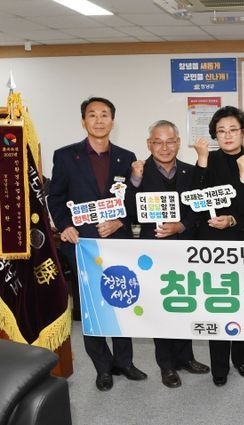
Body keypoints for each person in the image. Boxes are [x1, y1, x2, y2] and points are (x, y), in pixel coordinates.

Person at [48, 96, 147, 391]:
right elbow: (56, 197)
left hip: (117, 242)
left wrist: (120, 221)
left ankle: (124, 362)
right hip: (83, 244)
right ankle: (102, 368)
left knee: (121, 300)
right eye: (93, 115)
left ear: (112, 121)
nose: (99, 120)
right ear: (84, 121)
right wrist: (65, 226)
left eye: (105, 114)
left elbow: (131, 199)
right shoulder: (66, 156)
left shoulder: (126, 157)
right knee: (91, 307)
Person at [129, 120, 210, 388]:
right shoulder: (138, 172)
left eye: (170, 141)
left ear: (178, 142)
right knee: (161, 306)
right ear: (149, 144)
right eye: (158, 142)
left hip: (185, 247)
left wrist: (181, 225)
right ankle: (166, 365)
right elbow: (128, 211)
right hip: (153, 251)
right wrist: (135, 181)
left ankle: (186, 358)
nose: (164, 147)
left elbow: (198, 207)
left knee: (184, 303)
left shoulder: (190, 171)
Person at [192, 105, 244, 387]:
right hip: (214, 244)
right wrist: (201, 160)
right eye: (221, 131)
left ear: (243, 132)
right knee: (219, 304)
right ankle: (219, 367)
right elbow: (195, 198)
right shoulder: (207, 160)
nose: (227, 135)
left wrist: (233, 219)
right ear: (215, 135)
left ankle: (242, 360)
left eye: (233, 129)